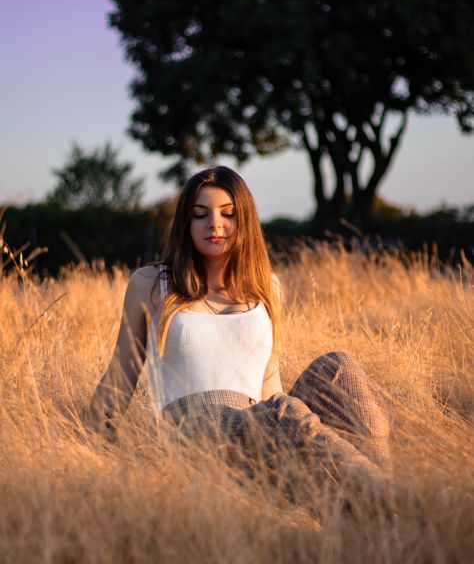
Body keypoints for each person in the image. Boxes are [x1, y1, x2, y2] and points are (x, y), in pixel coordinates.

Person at [86, 166, 393, 495]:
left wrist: (280, 425)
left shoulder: (267, 287)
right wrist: (87, 452)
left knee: (339, 368)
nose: (215, 224)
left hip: (256, 419)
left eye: (228, 214)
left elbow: (269, 382)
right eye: (200, 214)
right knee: (282, 413)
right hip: (193, 430)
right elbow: (120, 376)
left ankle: (380, 510)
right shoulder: (152, 283)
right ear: (185, 224)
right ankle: (396, 500)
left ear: (243, 220)